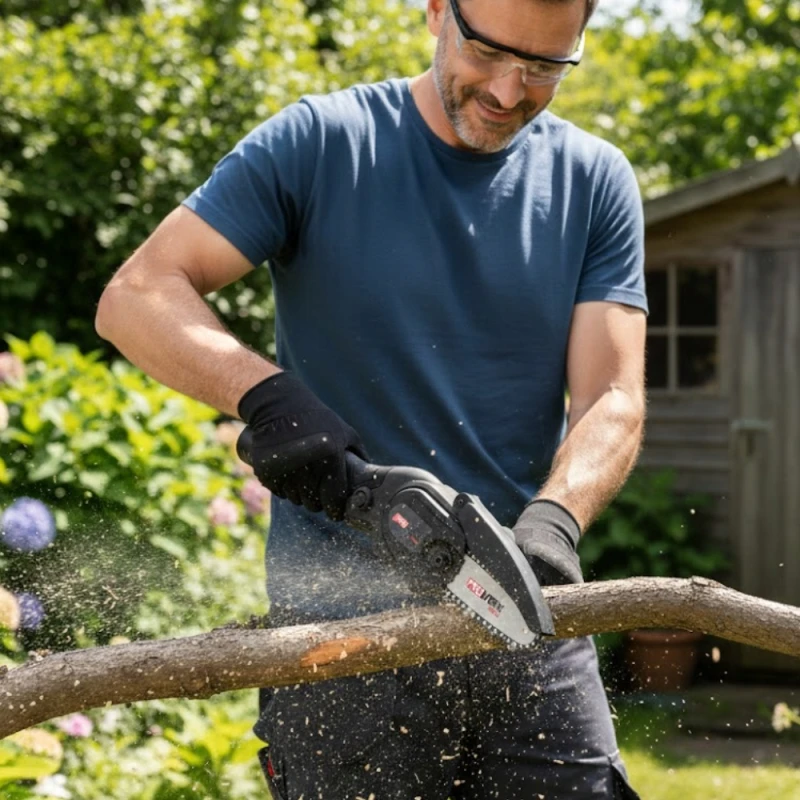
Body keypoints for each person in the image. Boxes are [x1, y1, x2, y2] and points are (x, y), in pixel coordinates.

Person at [96, 0, 648, 796]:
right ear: (435, 11)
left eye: (544, 67)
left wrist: (554, 523)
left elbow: (613, 396)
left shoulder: (594, 180)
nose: (507, 90)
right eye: (487, 52)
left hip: (524, 614)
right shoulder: (322, 143)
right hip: (340, 637)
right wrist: (269, 399)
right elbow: (137, 295)